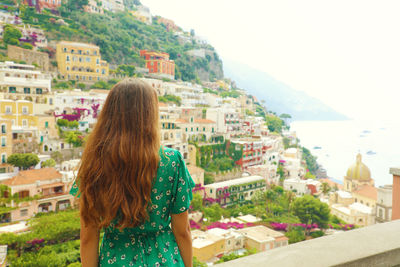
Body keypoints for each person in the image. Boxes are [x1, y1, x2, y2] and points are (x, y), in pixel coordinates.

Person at [70, 79, 195, 267]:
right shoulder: (172, 161)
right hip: (164, 259)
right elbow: (182, 230)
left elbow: (88, 237)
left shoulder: (94, 162)